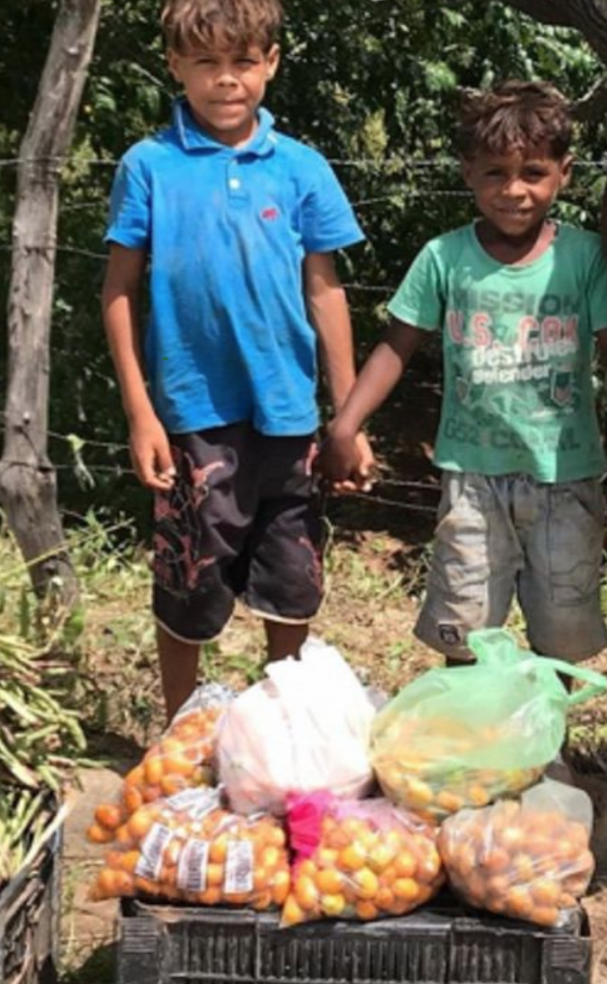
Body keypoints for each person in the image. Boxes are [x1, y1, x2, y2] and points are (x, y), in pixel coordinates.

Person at [102, 0, 372, 719]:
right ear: (175, 67)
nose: (228, 81)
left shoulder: (301, 168)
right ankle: (180, 733)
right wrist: (141, 412)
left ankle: (283, 728)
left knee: (293, 572)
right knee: (189, 575)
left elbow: (326, 291)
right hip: (192, 413)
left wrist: (347, 417)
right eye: (208, 64)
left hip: (287, 410)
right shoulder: (149, 167)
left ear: (271, 63)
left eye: (244, 63)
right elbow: (119, 292)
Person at [320, 80, 607, 666]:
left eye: (533, 172)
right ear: (468, 172)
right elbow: (396, 345)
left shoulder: (584, 258)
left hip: (565, 476)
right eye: (495, 173)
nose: (514, 190)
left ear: (564, 172)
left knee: (563, 634)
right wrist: (345, 425)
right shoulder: (444, 258)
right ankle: (477, 754)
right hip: (471, 479)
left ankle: (546, 750)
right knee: (466, 628)